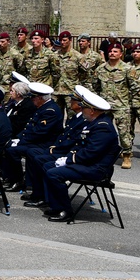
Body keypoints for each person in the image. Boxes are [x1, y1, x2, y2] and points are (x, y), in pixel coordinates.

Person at [26, 85, 120, 222]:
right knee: (48, 166)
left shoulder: (102, 128)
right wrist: (67, 157)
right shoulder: (94, 123)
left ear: (92, 110)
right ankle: (55, 204)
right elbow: (81, 146)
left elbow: (90, 154)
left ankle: (65, 210)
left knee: (54, 173)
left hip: (96, 168)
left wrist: (68, 160)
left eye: (85, 108)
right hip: (88, 163)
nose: (83, 110)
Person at [0, 82, 63, 191]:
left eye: (34, 98)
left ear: (40, 98)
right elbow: (29, 127)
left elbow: (40, 133)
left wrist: (20, 142)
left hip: (44, 144)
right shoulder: (42, 107)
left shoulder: (50, 111)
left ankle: (18, 180)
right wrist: (18, 138)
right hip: (35, 140)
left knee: (13, 151)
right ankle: (10, 177)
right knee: (7, 146)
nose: (32, 100)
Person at [94, 42, 132, 169]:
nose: (112, 53)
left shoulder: (127, 69)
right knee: (103, 130)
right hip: (104, 106)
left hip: (121, 105)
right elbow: (95, 86)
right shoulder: (100, 69)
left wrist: (127, 101)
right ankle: (103, 153)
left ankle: (126, 155)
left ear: (121, 54)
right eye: (110, 51)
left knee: (123, 132)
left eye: (115, 51)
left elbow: (135, 87)